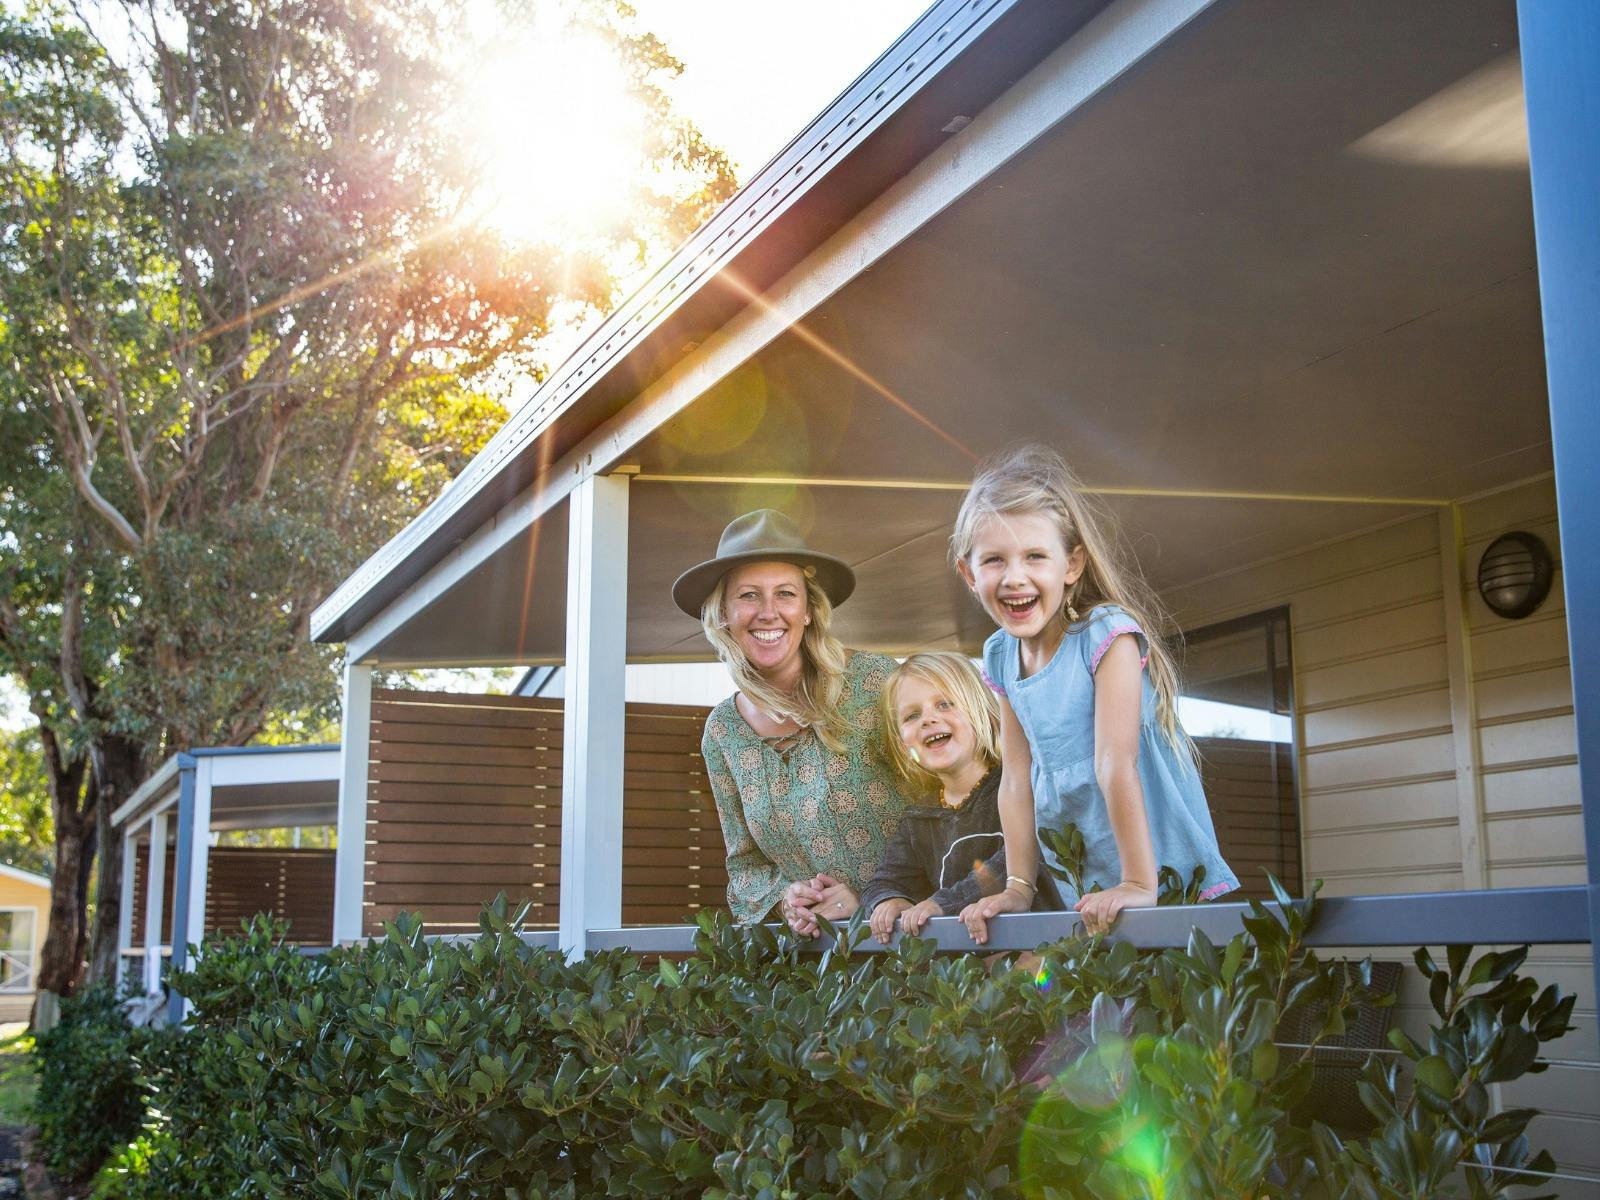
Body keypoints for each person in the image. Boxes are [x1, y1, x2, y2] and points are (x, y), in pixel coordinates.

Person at [949, 445, 1238, 943]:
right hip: (1085, 875)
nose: (1015, 576)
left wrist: (1138, 882)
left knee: (1174, 1000)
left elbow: (1115, 764)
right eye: (994, 560)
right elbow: (1016, 780)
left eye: (1035, 556)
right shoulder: (999, 655)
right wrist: (1018, 887)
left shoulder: (1107, 636)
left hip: (1158, 867)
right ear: (970, 573)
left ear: (1072, 565)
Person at [674, 509, 906, 934]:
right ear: (723, 613)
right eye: (748, 596)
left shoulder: (877, 682)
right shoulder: (723, 732)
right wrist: (787, 898)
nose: (767, 612)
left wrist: (877, 897)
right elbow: (745, 866)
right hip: (818, 975)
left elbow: (943, 809)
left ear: (808, 611)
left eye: (785, 593)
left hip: (918, 945)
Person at [860, 651, 1059, 944]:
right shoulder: (919, 818)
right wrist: (889, 901)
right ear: (903, 745)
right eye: (912, 715)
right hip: (967, 971)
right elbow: (886, 879)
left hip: (1038, 950)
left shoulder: (1014, 786)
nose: (928, 719)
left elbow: (1018, 856)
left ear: (983, 711)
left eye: (945, 704)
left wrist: (944, 903)